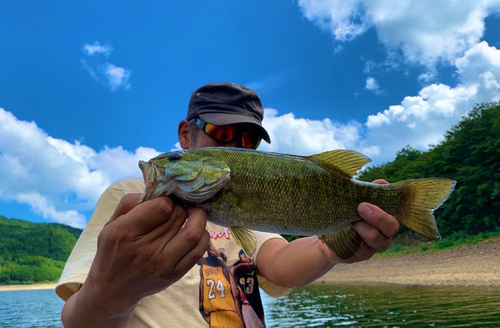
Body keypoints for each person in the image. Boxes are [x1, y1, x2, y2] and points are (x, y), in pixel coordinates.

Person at [58, 82, 400, 328]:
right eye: (221, 135)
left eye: (248, 139)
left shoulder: (243, 212)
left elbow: (279, 264)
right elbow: (78, 318)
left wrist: (332, 245)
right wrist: (115, 290)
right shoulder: (128, 196)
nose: (236, 145)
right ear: (186, 135)